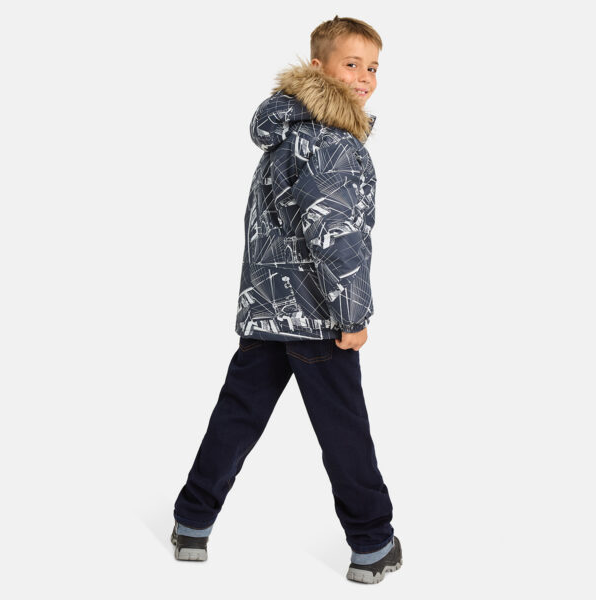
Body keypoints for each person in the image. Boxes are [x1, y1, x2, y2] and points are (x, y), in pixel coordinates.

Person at [171, 15, 403, 584]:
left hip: (266, 309)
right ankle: (372, 544)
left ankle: (192, 522)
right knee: (344, 429)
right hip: (319, 318)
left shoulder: (284, 137)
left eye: (373, 67)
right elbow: (336, 237)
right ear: (318, 67)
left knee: (237, 415)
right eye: (352, 64)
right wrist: (351, 314)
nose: (365, 77)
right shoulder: (331, 143)